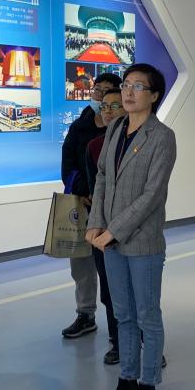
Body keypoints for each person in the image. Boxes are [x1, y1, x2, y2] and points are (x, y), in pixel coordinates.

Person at [88, 64, 176, 390]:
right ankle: (126, 381)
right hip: (109, 241)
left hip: (142, 243)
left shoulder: (162, 137)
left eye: (138, 86)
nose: (128, 91)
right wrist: (96, 223)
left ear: (154, 95)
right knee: (122, 315)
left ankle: (148, 387)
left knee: (146, 317)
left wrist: (113, 230)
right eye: (126, 85)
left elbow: (152, 194)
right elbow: (102, 178)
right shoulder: (115, 129)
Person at [60, 72, 123, 340]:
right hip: (82, 205)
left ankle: (120, 327)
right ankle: (85, 314)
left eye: (109, 93)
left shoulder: (125, 131)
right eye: (98, 91)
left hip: (113, 212)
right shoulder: (80, 126)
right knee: (81, 264)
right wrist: (83, 191)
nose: (102, 99)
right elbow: (68, 164)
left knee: (113, 269)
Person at [86, 88, 127, 365]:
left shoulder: (146, 142)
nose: (109, 112)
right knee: (110, 291)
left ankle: (146, 343)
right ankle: (117, 341)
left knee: (139, 293)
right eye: (104, 107)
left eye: (115, 105)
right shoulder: (94, 146)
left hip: (135, 231)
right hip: (103, 230)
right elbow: (95, 190)